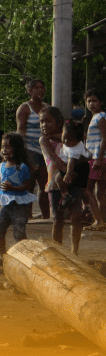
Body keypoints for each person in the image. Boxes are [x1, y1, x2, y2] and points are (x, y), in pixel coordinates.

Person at [0, 133, 36, 267]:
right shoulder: (2, 166)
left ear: (16, 149)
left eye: (8, 147)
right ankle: (3, 256)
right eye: (3, 146)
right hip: (5, 205)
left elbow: (28, 186)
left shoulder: (22, 167)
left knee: (19, 234)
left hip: (19, 206)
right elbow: (1, 185)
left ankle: (25, 258)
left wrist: (14, 188)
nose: (4, 149)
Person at [47, 118, 91, 255]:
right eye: (42, 121)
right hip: (56, 184)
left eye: (48, 120)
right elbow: (58, 160)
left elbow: (74, 161)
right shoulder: (46, 140)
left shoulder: (73, 143)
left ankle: (74, 251)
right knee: (58, 218)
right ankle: (58, 250)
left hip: (70, 179)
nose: (44, 124)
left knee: (75, 217)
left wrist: (70, 173)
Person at [16, 78, 50, 219]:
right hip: (30, 149)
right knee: (29, 184)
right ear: (29, 91)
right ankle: (27, 214)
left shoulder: (47, 107)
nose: (40, 90)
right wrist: (21, 153)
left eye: (42, 87)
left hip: (45, 149)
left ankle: (45, 215)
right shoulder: (25, 108)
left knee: (45, 185)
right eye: (36, 87)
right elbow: (21, 130)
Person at [85, 89, 106, 231]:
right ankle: (102, 221)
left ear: (101, 102)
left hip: (98, 158)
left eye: (94, 101)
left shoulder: (101, 116)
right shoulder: (94, 117)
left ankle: (98, 220)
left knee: (87, 188)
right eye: (89, 101)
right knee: (100, 192)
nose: (91, 104)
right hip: (98, 158)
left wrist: (98, 158)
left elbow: (105, 138)